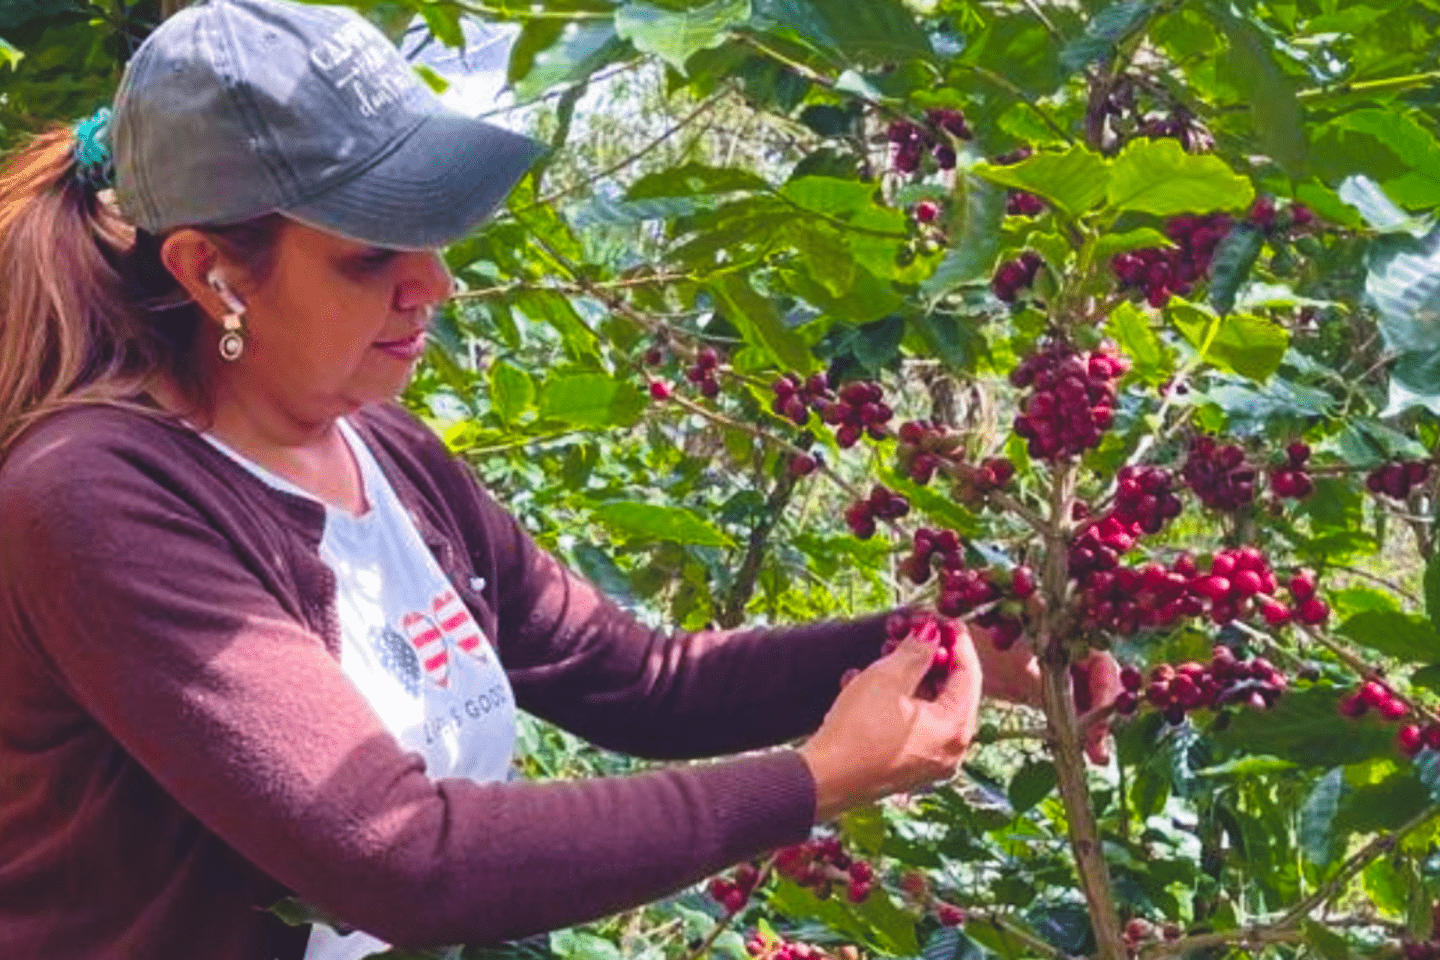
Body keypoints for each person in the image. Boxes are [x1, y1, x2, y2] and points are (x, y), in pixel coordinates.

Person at [0, 2, 1119, 958]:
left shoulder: (383, 448)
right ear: (211, 273)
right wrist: (813, 779)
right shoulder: (96, 500)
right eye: (369, 254)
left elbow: (639, 681)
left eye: (431, 234)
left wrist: (936, 643)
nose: (432, 283)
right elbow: (401, 858)